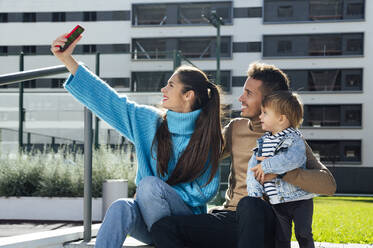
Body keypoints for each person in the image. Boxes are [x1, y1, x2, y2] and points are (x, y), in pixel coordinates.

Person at [50, 32, 224, 247]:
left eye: (171, 85)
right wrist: (67, 60)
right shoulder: (149, 122)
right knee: (121, 206)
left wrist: (153, 195)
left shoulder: (207, 137)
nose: (163, 89)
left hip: (185, 228)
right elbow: (109, 101)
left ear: (188, 95)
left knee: (150, 185)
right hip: (152, 224)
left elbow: (204, 192)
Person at [150, 62, 336, 248]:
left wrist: (281, 171)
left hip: (266, 222)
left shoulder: (290, 140)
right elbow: (199, 155)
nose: (241, 98)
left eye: (249, 93)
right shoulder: (235, 128)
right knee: (162, 228)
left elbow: (328, 185)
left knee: (250, 204)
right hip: (229, 220)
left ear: (270, 101)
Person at [247, 91, 316, 248]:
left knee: (303, 233)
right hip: (276, 201)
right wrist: (254, 194)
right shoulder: (262, 143)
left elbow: (293, 159)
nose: (260, 117)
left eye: (265, 113)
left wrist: (267, 165)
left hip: (300, 200)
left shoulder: (295, 140)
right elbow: (253, 170)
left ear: (281, 118)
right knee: (280, 238)